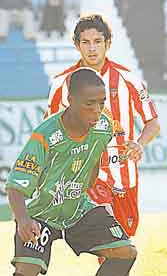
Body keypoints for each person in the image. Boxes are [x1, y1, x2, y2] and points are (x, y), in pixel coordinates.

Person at [6, 68, 137, 276]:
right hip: (42, 214)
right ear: (70, 100)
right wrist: (23, 219)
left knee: (125, 251)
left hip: (79, 209)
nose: (97, 110)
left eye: (101, 102)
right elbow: (16, 186)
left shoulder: (104, 126)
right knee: (27, 270)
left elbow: (94, 158)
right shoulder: (45, 134)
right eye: (89, 103)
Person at [45, 14, 160, 246]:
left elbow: (153, 123)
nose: (92, 48)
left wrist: (140, 143)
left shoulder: (128, 79)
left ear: (108, 43)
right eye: (85, 42)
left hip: (123, 171)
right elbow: (50, 128)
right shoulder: (61, 83)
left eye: (97, 41)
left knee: (124, 240)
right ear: (77, 45)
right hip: (85, 173)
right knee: (108, 238)